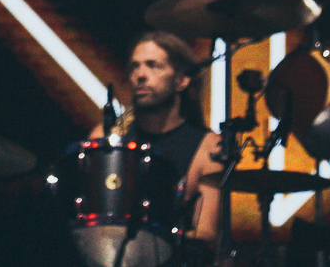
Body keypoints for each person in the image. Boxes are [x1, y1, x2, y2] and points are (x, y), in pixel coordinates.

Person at [75, 32, 225, 266]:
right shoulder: (106, 137)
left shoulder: (208, 147)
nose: (140, 75)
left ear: (181, 81)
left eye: (153, 66)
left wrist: (154, 243)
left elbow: (206, 234)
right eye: (135, 67)